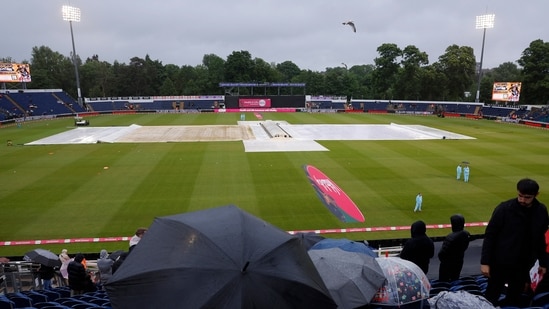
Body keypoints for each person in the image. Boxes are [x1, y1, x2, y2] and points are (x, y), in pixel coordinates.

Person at [481, 178, 549, 307]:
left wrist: (543, 263)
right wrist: (485, 262)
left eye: (527, 197)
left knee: (514, 298)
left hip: (523, 265)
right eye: (520, 196)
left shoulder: (541, 211)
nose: (522, 200)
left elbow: (541, 239)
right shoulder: (504, 209)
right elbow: (490, 235)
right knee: (491, 297)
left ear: (536, 195)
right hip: (500, 262)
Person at [438, 214, 471, 282]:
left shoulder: (451, 237)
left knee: (444, 281)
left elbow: (441, 254)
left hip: (447, 264)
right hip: (459, 261)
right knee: (455, 279)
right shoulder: (466, 234)